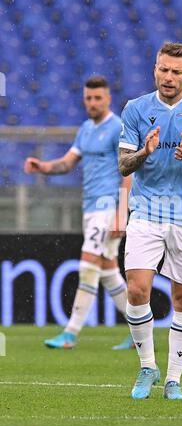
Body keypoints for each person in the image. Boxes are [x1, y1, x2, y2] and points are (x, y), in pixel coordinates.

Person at [118, 42, 182, 399]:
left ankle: (174, 380)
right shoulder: (135, 109)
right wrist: (144, 152)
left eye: (177, 72)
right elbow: (122, 164)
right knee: (136, 289)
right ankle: (147, 366)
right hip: (146, 213)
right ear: (155, 70)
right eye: (164, 69)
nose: (169, 77)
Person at [24, 76, 133, 350]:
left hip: (107, 206)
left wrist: (122, 212)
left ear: (108, 99)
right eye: (89, 98)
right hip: (91, 206)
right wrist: (44, 167)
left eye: (98, 98)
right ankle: (139, 330)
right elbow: (68, 162)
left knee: (88, 265)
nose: (93, 103)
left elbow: (128, 171)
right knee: (107, 270)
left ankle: (70, 333)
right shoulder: (85, 129)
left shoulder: (117, 127)